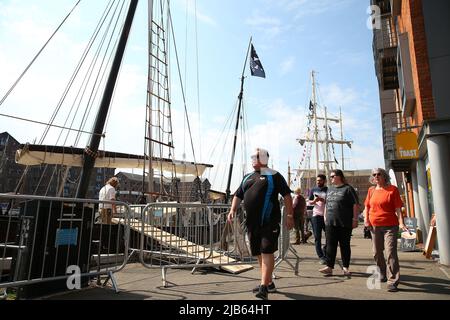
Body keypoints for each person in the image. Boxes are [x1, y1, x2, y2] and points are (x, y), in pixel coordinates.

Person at [227, 148, 294, 300]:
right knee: (258, 253)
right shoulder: (247, 177)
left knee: (266, 251)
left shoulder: (274, 175)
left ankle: (263, 287)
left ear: (263, 159)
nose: (252, 159)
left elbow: (287, 196)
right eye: (252, 157)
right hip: (251, 223)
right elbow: (238, 195)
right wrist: (232, 210)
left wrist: (290, 215)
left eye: (255, 157)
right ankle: (268, 282)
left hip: (269, 222)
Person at [363, 168, 408, 292]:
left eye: (379, 174)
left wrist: (401, 223)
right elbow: (367, 207)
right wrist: (366, 221)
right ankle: (382, 272)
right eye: (374, 174)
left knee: (390, 252)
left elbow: (398, 208)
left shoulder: (393, 190)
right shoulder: (371, 190)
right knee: (376, 252)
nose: (376, 176)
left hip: (390, 226)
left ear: (384, 176)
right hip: (374, 226)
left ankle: (392, 280)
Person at [319, 170, 359, 276]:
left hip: (344, 222)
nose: (330, 178)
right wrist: (324, 216)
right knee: (330, 245)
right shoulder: (330, 189)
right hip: (330, 222)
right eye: (330, 176)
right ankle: (329, 266)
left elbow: (355, 204)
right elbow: (327, 204)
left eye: (333, 176)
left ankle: (345, 267)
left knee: (344, 245)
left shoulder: (348, 189)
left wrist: (355, 219)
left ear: (339, 176)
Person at [307, 174, 328, 264]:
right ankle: (321, 257)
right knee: (317, 237)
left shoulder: (328, 190)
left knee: (329, 237)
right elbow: (309, 202)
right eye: (317, 180)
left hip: (326, 216)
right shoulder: (313, 190)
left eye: (320, 180)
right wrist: (314, 201)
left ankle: (325, 249)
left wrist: (324, 200)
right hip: (316, 216)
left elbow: (331, 202)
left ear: (324, 181)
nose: (318, 182)